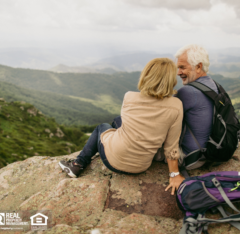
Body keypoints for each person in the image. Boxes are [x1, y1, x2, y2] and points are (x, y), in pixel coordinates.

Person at [59, 58, 185, 195]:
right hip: (141, 166)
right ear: (171, 80)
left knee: (102, 126)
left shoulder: (129, 97)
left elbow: (129, 124)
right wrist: (174, 174)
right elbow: (171, 146)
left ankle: (77, 165)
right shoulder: (176, 106)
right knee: (118, 121)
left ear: (147, 75)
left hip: (112, 160)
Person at [174, 44, 218, 168]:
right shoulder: (214, 86)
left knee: (119, 123)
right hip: (210, 151)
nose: (178, 73)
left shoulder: (188, 92)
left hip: (190, 158)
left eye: (182, 67)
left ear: (198, 67)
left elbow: (162, 115)